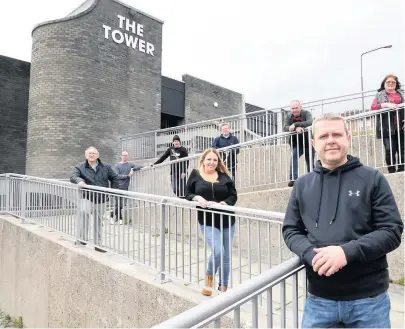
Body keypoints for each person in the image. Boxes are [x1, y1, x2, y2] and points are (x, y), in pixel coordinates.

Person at [282, 113, 403, 328]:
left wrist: (346, 252)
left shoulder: (372, 179)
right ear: (313, 143)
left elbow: (391, 231)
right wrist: (311, 255)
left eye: (337, 134)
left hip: (369, 302)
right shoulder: (302, 185)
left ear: (348, 137)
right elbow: (291, 230)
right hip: (319, 301)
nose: (331, 140)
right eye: (324, 136)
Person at [186, 148, 237, 296]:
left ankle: (223, 287)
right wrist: (198, 198)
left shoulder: (224, 177)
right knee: (217, 251)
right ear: (203, 160)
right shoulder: (195, 175)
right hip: (207, 221)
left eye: (215, 160)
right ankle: (209, 281)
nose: (212, 162)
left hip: (227, 220)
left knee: (226, 255)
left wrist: (224, 204)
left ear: (218, 162)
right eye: (209, 159)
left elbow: (233, 195)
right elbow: (188, 193)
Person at [70, 146, 120, 253]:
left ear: (97, 155)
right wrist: (80, 181)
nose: (91, 155)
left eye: (94, 153)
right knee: (84, 213)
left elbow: (115, 178)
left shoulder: (106, 166)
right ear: (86, 155)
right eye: (89, 153)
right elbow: (73, 176)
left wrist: (112, 191)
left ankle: (98, 244)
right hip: (87, 197)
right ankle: (82, 239)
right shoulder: (80, 167)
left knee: (98, 221)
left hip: (102, 198)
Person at [370, 74, 404, 173]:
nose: (390, 84)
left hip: (401, 126)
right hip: (387, 127)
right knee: (390, 149)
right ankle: (392, 170)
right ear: (384, 84)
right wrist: (385, 104)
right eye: (388, 82)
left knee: (402, 149)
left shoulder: (402, 93)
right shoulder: (380, 94)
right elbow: (373, 107)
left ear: (396, 84)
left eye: (393, 82)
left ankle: (402, 170)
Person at [283, 100, 315, 187]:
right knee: (294, 156)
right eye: (292, 108)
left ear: (300, 107)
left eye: (296, 108)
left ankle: (313, 178)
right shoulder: (288, 116)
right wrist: (293, 128)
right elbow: (285, 127)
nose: (294, 110)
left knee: (310, 160)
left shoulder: (306, 113)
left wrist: (296, 124)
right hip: (296, 143)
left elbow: (310, 122)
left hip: (308, 141)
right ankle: (293, 179)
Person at [110, 151, 143, 224]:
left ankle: (117, 216)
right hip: (117, 187)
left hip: (125, 187)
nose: (125, 157)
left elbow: (140, 166)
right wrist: (128, 176)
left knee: (123, 204)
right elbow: (117, 176)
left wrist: (133, 169)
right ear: (121, 156)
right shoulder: (117, 166)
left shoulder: (129, 164)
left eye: (126, 156)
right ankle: (114, 216)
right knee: (118, 204)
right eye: (123, 155)